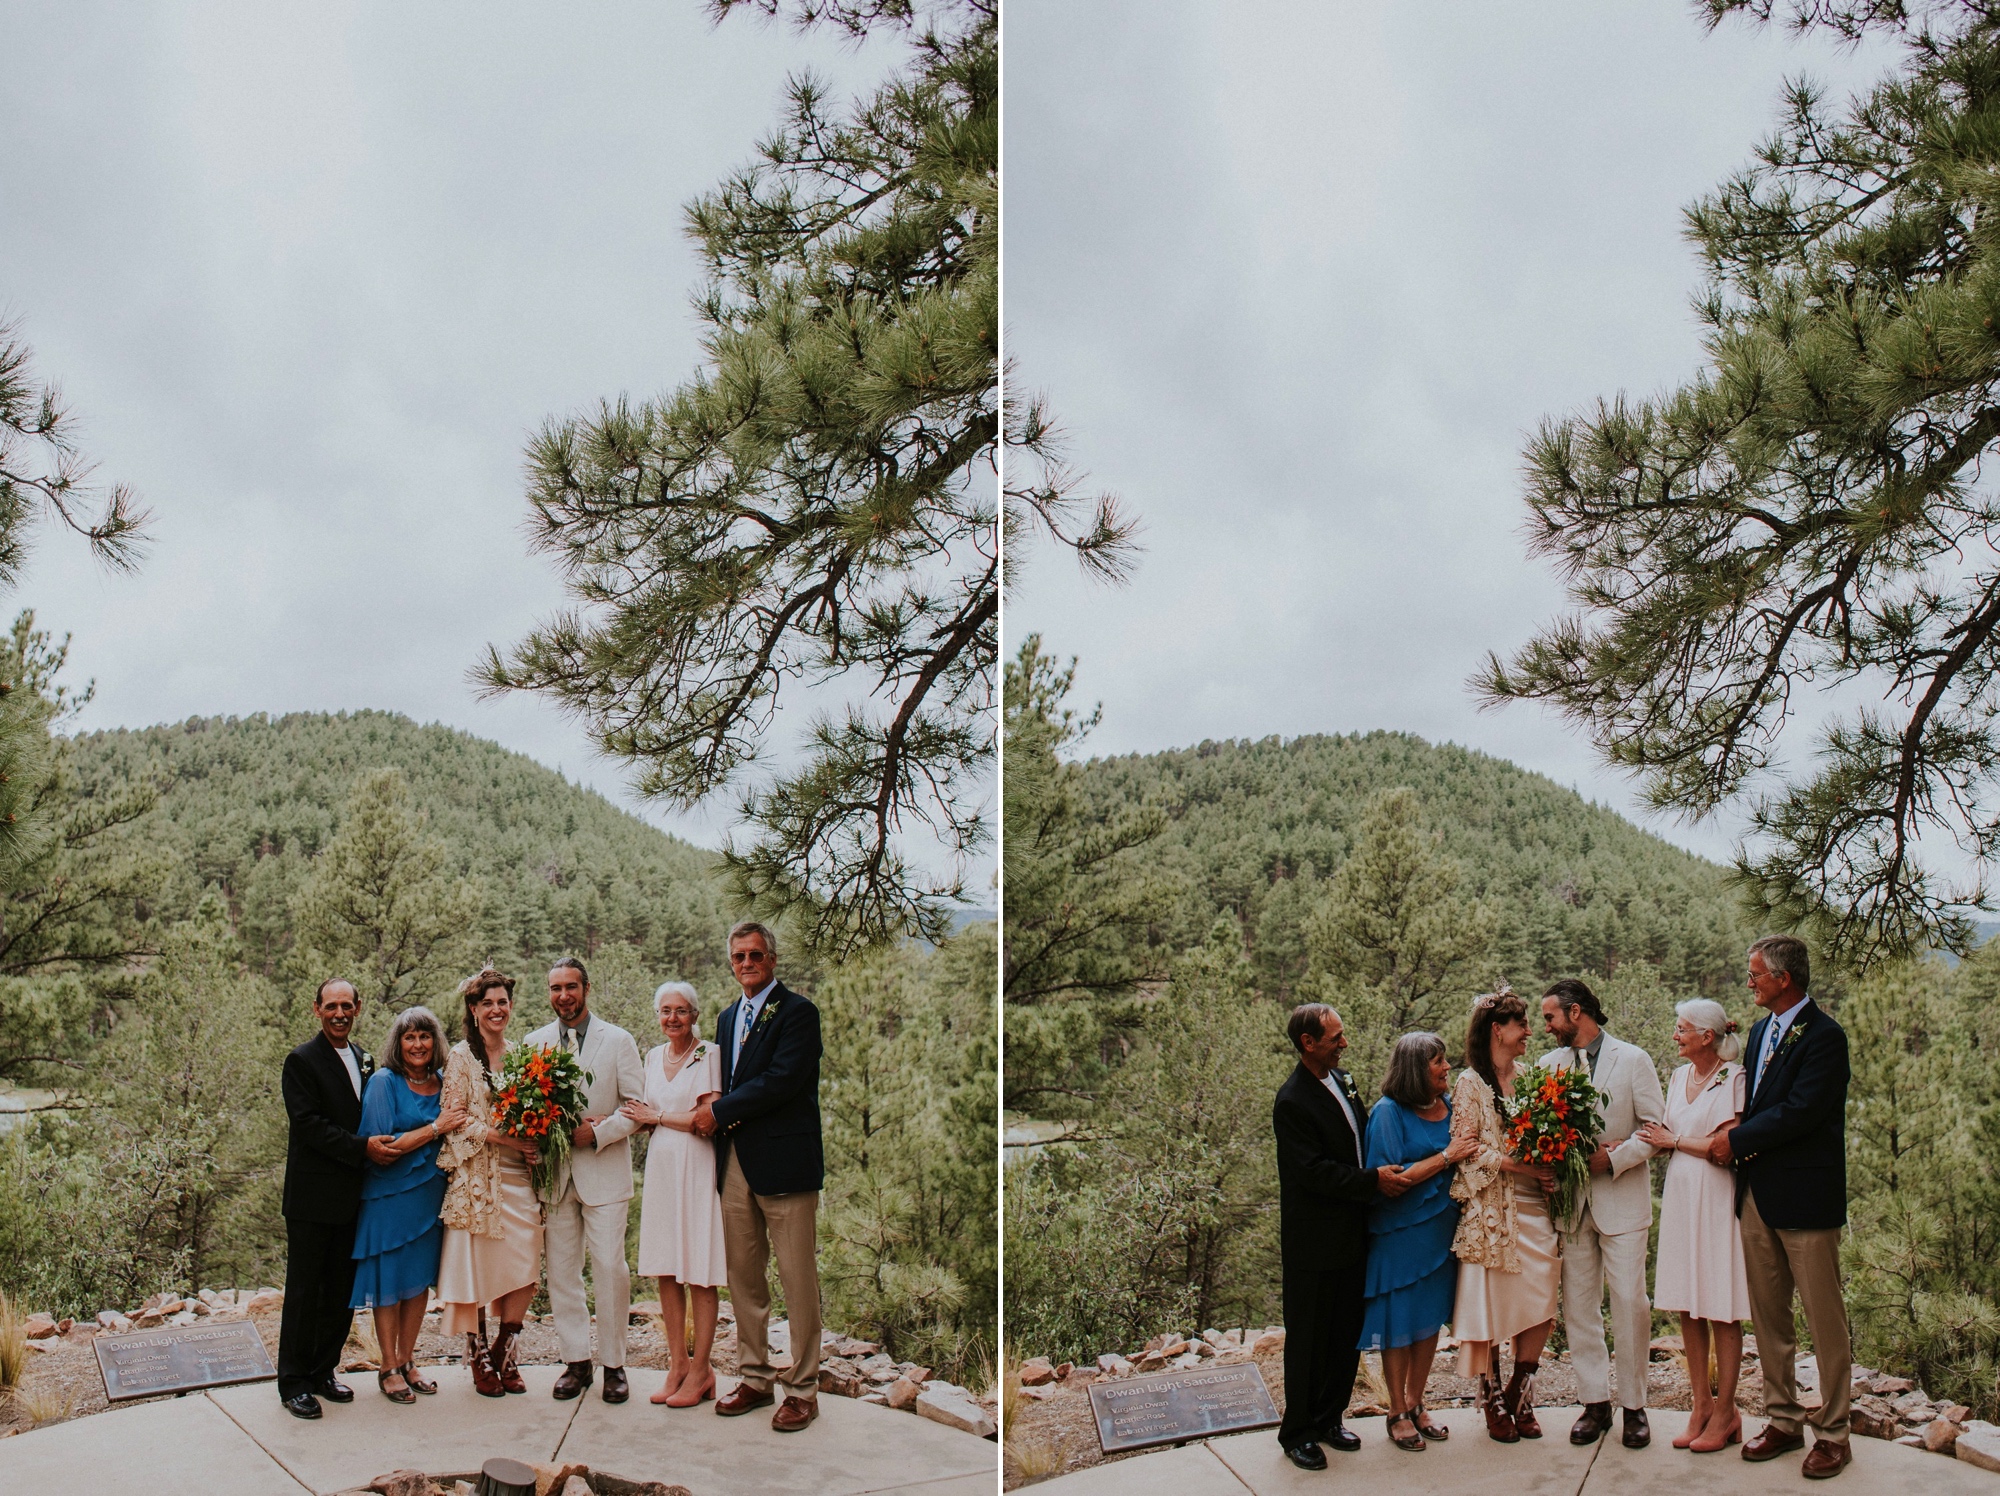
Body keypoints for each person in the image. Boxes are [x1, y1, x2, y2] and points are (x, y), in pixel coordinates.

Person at [1710, 935, 1853, 1480]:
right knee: (1769, 1320)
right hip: (1757, 1198)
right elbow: (1758, 1098)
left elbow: (1802, 1112)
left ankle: (1835, 1432)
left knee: (1824, 1321)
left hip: (1807, 1200)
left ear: (1783, 979)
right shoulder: (1757, 1032)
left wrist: (1737, 1139)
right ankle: (1784, 1419)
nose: (1750, 983)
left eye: (1755, 975)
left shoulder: (1825, 1036)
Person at [691, 920, 826, 1433]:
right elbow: (724, 1081)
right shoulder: (727, 1019)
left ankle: (804, 1388)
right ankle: (754, 1376)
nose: (746, 964)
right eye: (738, 958)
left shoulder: (799, 1013)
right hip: (735, 1167)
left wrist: (720, 1112)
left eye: (755, 955)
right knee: (744, 1279)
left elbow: (782, 1081)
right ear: (732, 964)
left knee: (797, 1281)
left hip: (786, 1166)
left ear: (772, 960)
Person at [1271, 1002, 1411, 1471]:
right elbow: (1312, 1173)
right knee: (1309, 1337)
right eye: (1335, 1038)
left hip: (1354, 1232)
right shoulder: (1291, 1101)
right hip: (1313, 1239)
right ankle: (1298, 1431)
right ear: (1308, 1043)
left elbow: (1362, 1139)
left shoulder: (1344, 1080)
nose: (1343, 1044)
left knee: (1344, 1333)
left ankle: (1331, 1416)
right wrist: (1373, 1182)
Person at [1538, 978, 1667, 1450]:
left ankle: (1635, 1406)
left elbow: (1657, 1128)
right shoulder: (1547, 1066)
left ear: (1575, 1013)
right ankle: (1594, 1404)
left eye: (1551, 1016)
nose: (1545, 1026)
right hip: (1571, 1206)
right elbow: (1540, 1133)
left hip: (1623, 1201)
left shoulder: (1633, 1059)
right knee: (1579, 1305)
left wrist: (1611, 1158)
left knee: (1631, 1303)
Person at [527, 957, 647, 1404]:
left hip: (604, 1174)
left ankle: (615, 1364)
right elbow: (526, 1110)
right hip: (555, 1178)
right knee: (561, 1272)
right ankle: (576, 1362)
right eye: (555, 988)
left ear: (586, 988)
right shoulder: (534, 1042)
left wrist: (595, 1131)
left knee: (610, 1268)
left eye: (571, 987)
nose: (563, 995)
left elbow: (636, 1107)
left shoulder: (617, 1040)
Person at [278, 977, 395, 1420]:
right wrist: (361, 1148)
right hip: (312, 1198)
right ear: (317, 1010)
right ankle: (293, 1382)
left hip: (353, 1198)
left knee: (340, 1291)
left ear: (358, 1008)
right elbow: (307, 1125)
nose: (339, 1013)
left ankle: (323, 1370)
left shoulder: (365, 1059)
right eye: (331, 1006)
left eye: (347, 1006)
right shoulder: (301, 1061)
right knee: (305, 1292)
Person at [1637, 999, 1751, 1453]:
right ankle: (1700, 1404)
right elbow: (1664, 1134)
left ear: (1707, 1036)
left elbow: (1727, 1144)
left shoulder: (1733, 1078)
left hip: (1718, 1195)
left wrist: (1675, 1141)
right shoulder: (1678, 1076)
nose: (1675, 1035)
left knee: (1720, 1302)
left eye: (1682, 1028)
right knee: (1688, 1301)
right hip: (1683, 1193)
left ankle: (1727, 1411)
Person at [1449, 987, 1560, 1444]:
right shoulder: (1470, 1083)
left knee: (1543, 1295)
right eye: (1522, 1026)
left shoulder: (1533, 1077)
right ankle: (1491, 1393)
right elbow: (1465, 1150)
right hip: (1492, 1206)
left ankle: (1521, 1388)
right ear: (1498, 1030)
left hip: (1536, 1203)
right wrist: (1516, 1163)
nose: (1530, 1033)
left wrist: (1553, 1161)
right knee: (1493, 1301)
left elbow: (1547, 1131)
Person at [1358, 1031, 1477, 1453]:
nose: (1447, 1067)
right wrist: (1447, 1157)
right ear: (1415, 1069)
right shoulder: (1388, 1113)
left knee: (1428, 1320)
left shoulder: (1448, 1107)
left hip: (1442, 1230)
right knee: (1399, 1320)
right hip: (1400, 1231)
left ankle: (1416, 1401)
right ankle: (1395, 1411)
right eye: (1438, 1062)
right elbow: (1393, 1181)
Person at [436, 966, 545, 1398]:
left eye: (503, 1002)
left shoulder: (521, 1054)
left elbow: (534, 1107)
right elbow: (454, 1120)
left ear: (510, 1006)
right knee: (478, 1265)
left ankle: (506, 1345)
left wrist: (535, 1136)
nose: (496, 1010)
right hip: (477, 1173)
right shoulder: (462, 1057)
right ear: (473, 1008)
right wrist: (502, 1136)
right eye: (488, 1003)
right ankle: (478, 1351)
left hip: (520, 1173)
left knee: (526, 1260)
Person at [349, 1005, 465, 1403]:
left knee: (417, 1283)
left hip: (430, 1196)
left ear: (436, 1042)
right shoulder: (384, 1082)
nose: (418, 1044)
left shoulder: (445, 1081)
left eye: (425, 1036)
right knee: (390, 1282)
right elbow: (384, 1147)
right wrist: (435, 1128)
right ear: (398, 1044)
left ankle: (408, 1358)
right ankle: (387, 1366)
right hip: (389, 1196)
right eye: (410, 1037)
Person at [621, 981, 728, 1407]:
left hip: (697, 1166)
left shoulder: (709, 1055)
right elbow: (645, 1115)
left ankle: (702, 1370)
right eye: (665, 1010)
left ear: (694, 1014)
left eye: (681, 1010)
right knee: (667, 1267)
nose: (672, 1018)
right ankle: (677, 1364)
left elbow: (708, 1117)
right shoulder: (651, 1056)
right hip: (663, 1168)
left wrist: (659, 1116)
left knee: (698, 1268)